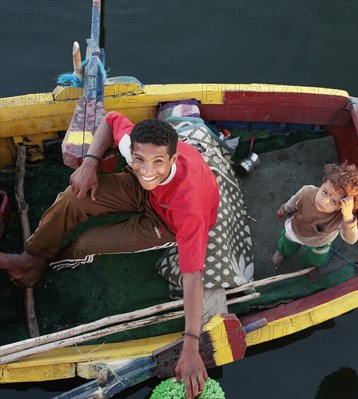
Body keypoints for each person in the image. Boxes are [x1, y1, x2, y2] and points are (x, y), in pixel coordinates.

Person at [0, 111, 219, 399]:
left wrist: (191, 344)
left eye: (158, 162)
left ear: (174, 160)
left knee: (87, 242)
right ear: (132, 150)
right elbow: (111, 119)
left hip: (165, 222)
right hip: (143, 193)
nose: (147, 169)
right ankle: (32, 258)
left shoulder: (189, 208)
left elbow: (193, 275)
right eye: (139, 159)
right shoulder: (136, 154)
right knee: (73, 198)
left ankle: (53, 263)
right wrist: (89, 164)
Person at [271, 162, 358, 275]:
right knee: (286, 245)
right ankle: (282, 252)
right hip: (296, 230)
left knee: (314, 260)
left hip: (319, 243)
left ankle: (311, 267)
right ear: (323, 183)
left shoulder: (341, 217)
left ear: (342, 206)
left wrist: (348, 216)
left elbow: (351, 240)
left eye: (333, 202)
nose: (323, 201)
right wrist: (284, 210)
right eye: (325, 192)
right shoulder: (307, 191)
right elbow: (293, 202)